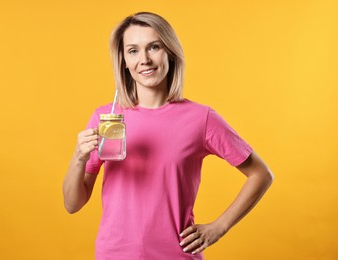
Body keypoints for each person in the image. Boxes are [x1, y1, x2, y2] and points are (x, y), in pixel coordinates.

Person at [63, 12, 274, 259]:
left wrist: (219, 227)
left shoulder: (201, 119)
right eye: (133, 51)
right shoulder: (106, 118)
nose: (144, 59)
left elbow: (261, 174)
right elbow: (72, 204)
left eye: (154, 47)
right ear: (124, 61)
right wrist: (79, 158)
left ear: (170, 53)